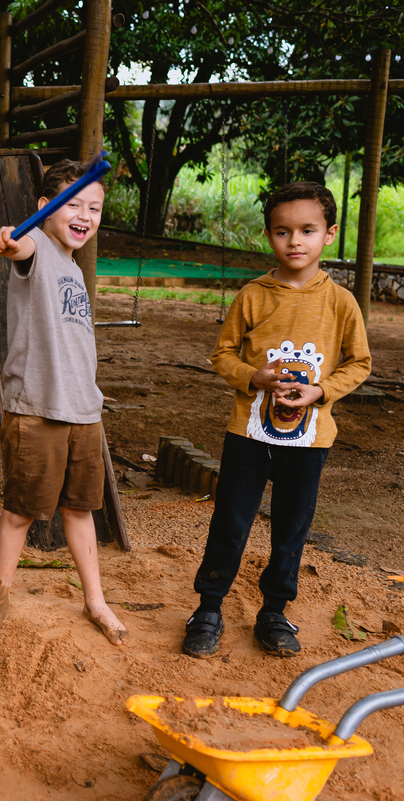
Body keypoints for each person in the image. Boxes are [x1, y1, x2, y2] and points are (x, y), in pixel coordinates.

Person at [182, 182, 371, 659]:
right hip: (247, 433)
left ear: (328, 235)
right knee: (231, 519)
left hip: (310, 440)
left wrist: (320, 390)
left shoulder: (341, 303)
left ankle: (274, 611)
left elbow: (359, 363)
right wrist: (254, 376)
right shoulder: (252, 295)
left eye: (307, 230)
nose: (295, 241)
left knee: (292, 525)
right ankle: (208, 608)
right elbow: (222, 353)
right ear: (269, 236)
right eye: (283, 232)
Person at [0, 159, 128, 648]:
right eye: (73, 203)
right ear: (45, 208)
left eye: (94, 207)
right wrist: (10, 238)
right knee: (19, 512)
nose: (84, 214)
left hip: (84, 411)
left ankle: (95, 600)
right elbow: (18, 244)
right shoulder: (37, 251)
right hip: (36, 409)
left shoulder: (74, 267)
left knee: (80, 510)